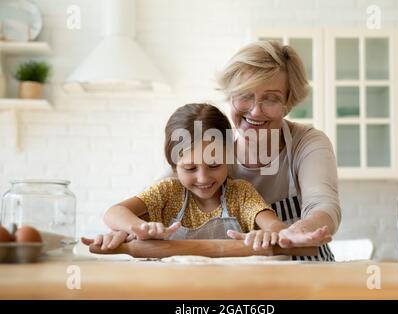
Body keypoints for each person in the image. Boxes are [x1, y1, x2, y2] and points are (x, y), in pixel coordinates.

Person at [82, 103, 290, 251]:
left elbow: (276, 226)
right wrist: (140, 228)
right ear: (174, 165)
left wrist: (268, 233)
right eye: (190, 168)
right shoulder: (167, 192)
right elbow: (114, 213)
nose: (203, 177)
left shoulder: (240, 194)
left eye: (214, 165)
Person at [217, 40, 340, 261]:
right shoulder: (211, 151)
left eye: (271, 98)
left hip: (310, 280)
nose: (255, 111)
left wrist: (298, 231)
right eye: (245, 94)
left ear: (287, 103)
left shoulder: (308, 142)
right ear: (230, 95)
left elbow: (323, 204)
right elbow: (157, 195)